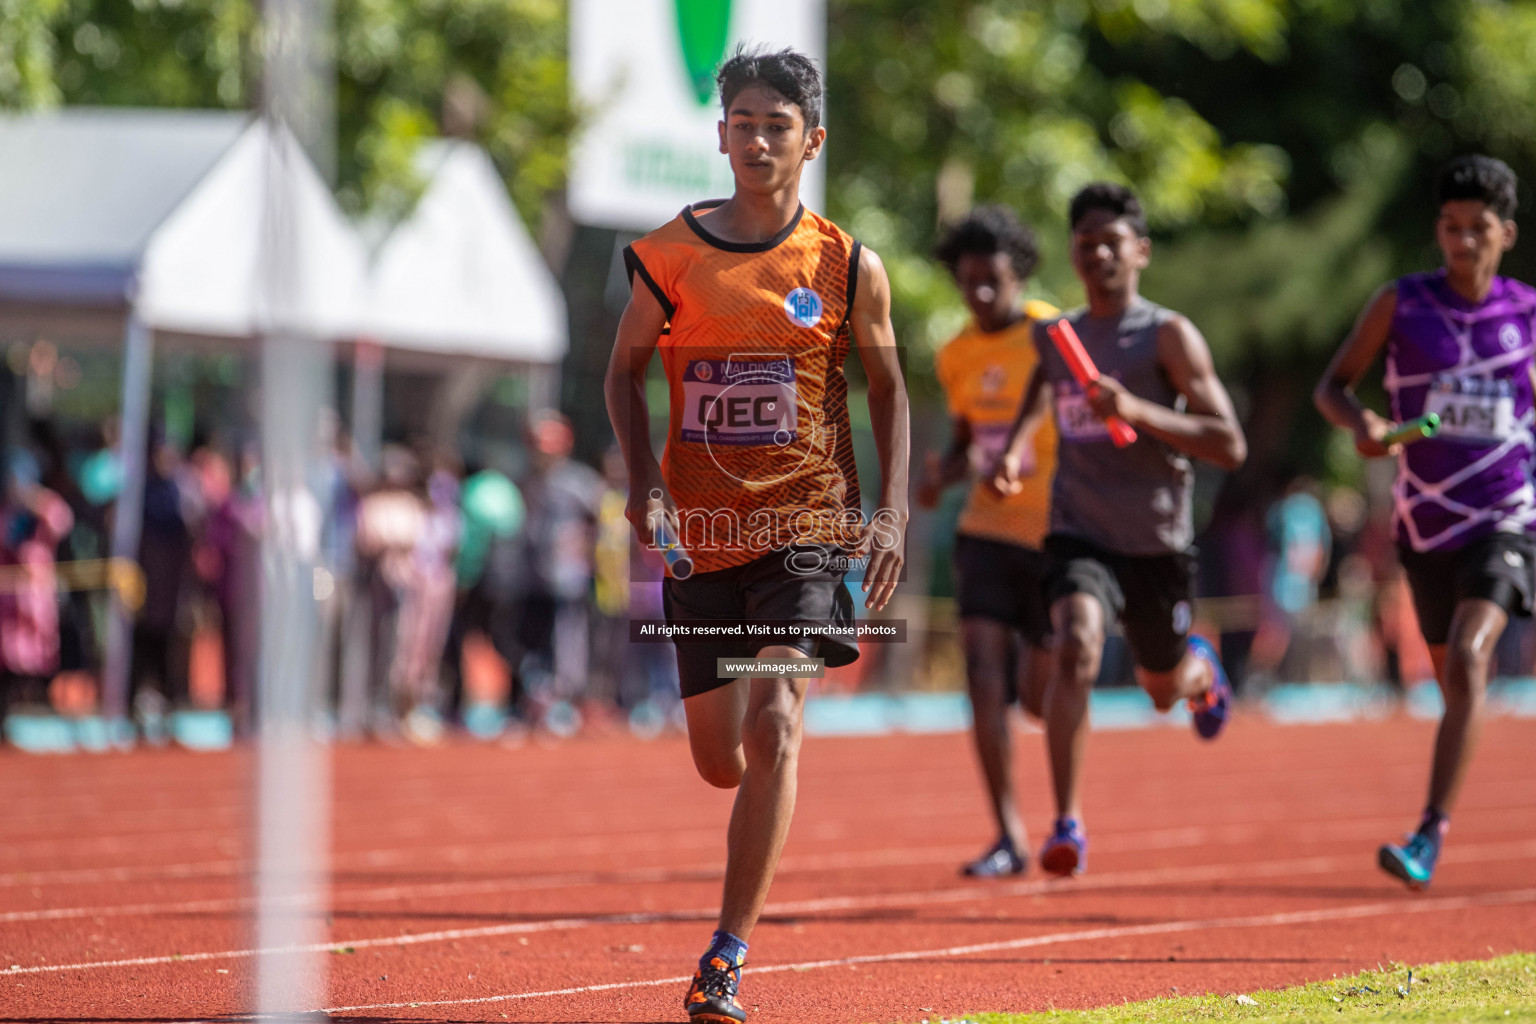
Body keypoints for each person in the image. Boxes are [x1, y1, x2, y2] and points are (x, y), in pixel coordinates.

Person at [604, 45, 908, 1023]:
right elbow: (620, 375)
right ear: (721, 132)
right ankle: (750, 798)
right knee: (720, 758)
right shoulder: (669, 256)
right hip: (701, 539)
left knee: (776, 715)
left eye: (780, 126)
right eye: (744, 123)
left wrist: (891, 512)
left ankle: (724, 957)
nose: (760, 140)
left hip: (808, 530)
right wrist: (644, 483)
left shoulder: (847, 264)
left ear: (811, 140)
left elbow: (891, 389)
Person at [990, 182, 1246, 877]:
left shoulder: (1166, 335)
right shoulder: (1057, 336)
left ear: (1141, 251)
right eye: (1085, 243)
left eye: (1112, 242)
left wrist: (1135, 406)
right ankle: (1067, 821)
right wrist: (1014, 451)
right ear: (1073, 253)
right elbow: (1042, 393)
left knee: (1160, 688)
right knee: (1076, 641)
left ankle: (1200, 675)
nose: (1098, 253)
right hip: (1081, 530)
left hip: (1158, 542)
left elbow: (1229, 443)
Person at [1314, 154, 1536, 890]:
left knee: (1471, 659)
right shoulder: (1400, 304)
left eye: (1479, 229)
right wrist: (1364, 423)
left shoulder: (1528, 317)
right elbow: (1332, 387)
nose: (1463, 242)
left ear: (1506, 233)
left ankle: (1428, 834)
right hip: (1424, 526)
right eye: (1451, 227)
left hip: (1506, 519)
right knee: (1455, 684)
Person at [916, 205, 1058, 877]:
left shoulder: (1053, 334)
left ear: (1019, 274)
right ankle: (1008, 833)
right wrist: (939, 476)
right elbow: (967, 444)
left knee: (1036, 695)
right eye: (967, 281)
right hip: (986, 531)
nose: (978, 293)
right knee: (981, 674)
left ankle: (1060, 816)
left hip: (1057, 535)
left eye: (991, 280)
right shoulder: (957, 355)